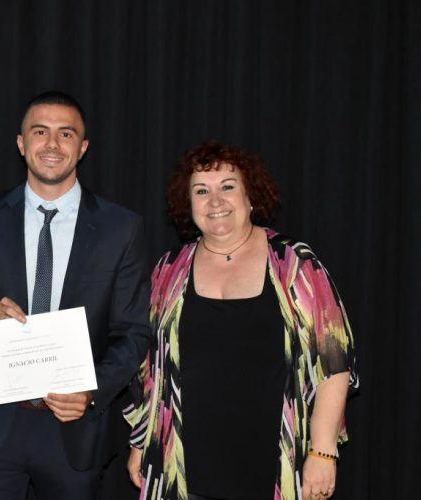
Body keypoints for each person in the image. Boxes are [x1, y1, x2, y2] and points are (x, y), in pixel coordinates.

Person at [0, 90, 151, 500]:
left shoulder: (121, 228)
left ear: (82, 147)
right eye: (40, 132)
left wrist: (92, 393)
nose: (52, 144)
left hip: (73, 430)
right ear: (21, 143)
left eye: (66, 134)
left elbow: (133, 331)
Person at [124, 142, 359, 500]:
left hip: (275, 466)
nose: (215, 201)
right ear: (188, 203)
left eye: (228, 186)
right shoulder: (169, 270)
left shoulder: (294, 264)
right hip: (183, 470)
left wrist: (323, 451)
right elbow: (149, 369)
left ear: (251, 196)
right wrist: (141, 443)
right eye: (201, 191)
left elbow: (335, 361)